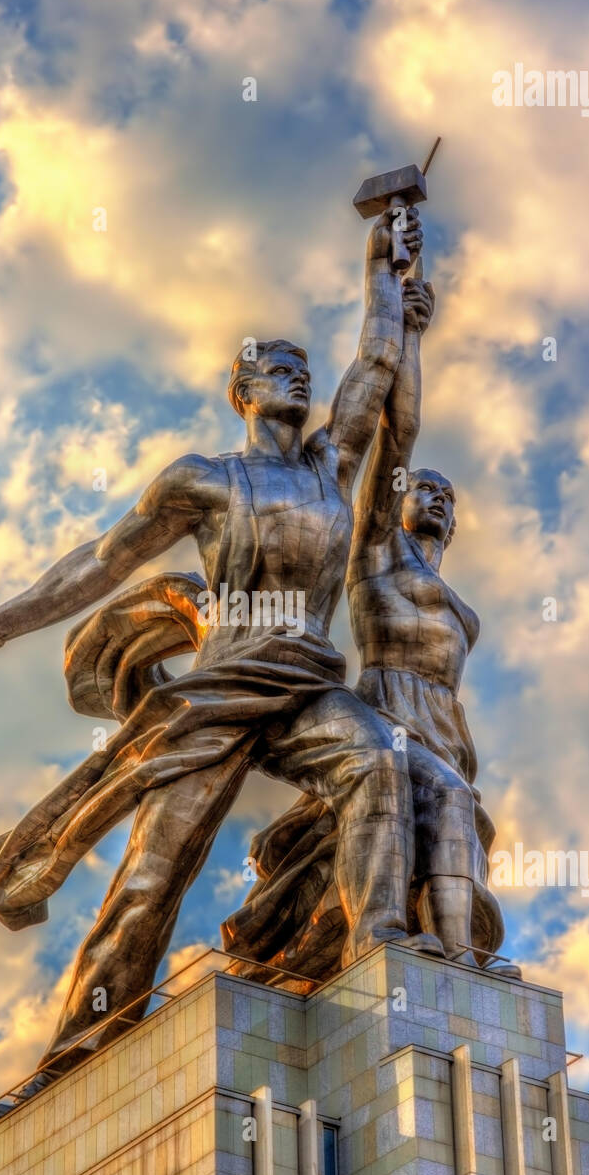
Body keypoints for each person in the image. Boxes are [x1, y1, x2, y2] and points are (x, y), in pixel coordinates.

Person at [0, 209, 439, 1117]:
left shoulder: (332, 465)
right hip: (218, 688)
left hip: (303, 684)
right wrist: (6, 619)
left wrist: (385, 277)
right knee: (152, 876)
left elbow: (373, 369)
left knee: (380, 760)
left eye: (302, 370)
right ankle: (76, 1050)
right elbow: (101, 559)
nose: (299, 377)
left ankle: (381, 942)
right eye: (277, 368)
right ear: (242, 390)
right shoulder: (202, 479)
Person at [222, 265, 520, 985]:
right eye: (425, 489)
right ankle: (378, 937)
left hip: (445, 721)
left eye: (448, 494)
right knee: (411, 796)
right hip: (391, 705)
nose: (438, 498)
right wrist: (409, 330)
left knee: (451, 804)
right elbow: (399, 429)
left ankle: (461, 956)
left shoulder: (452, 597)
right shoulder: (376, 552)